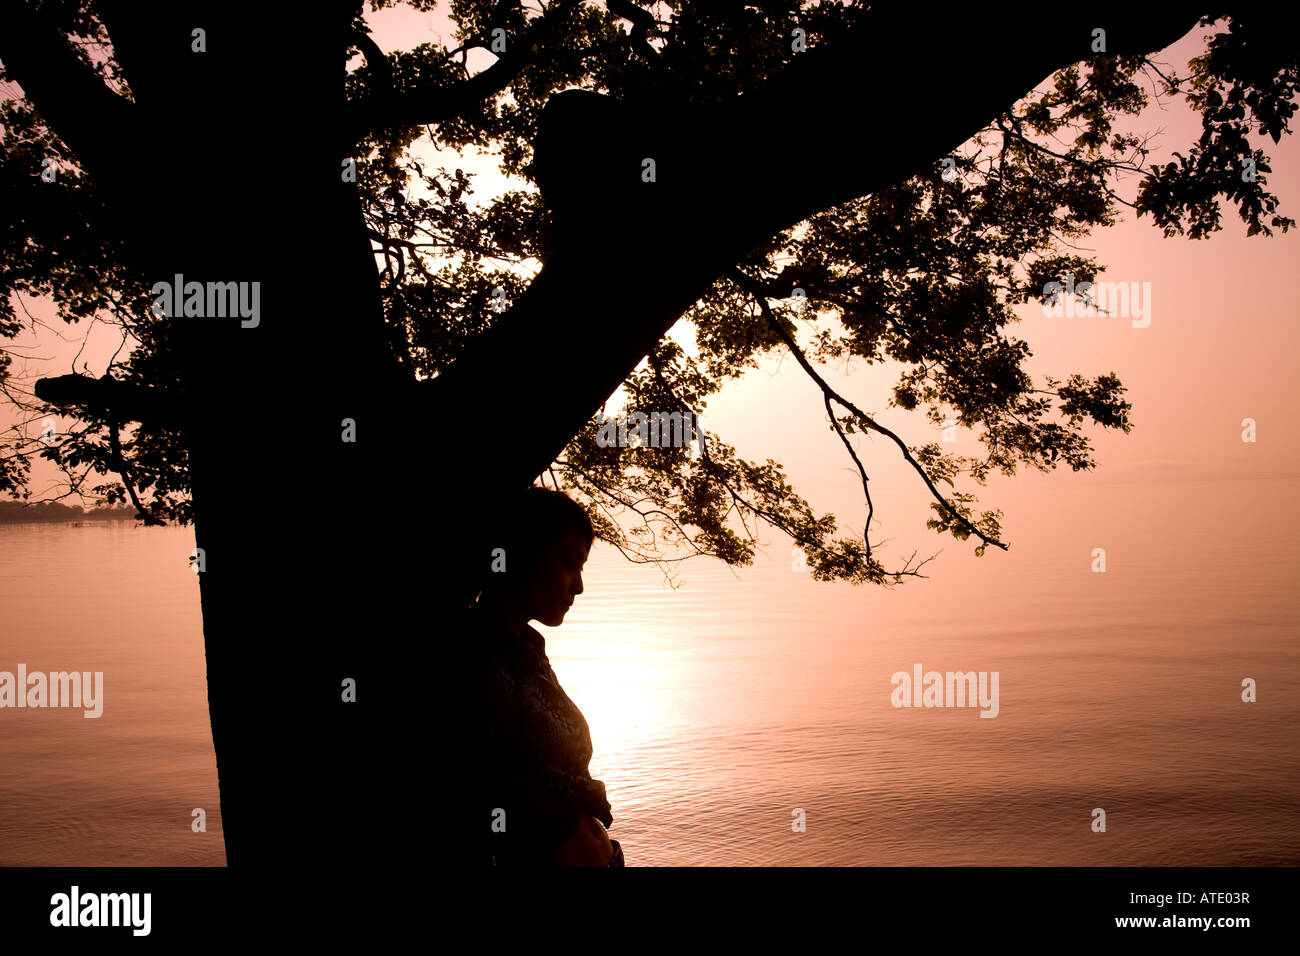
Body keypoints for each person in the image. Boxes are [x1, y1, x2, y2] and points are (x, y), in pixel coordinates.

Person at [465, 485, 624, 867]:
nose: (579, 587)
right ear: (523, 553)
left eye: (582, 567)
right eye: (569, 563)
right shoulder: (473, 657)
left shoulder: (530, 651)